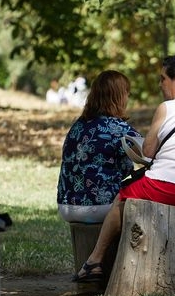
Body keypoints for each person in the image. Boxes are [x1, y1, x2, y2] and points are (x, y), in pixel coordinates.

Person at [73, 54, 175, 282]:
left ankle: (94, 261)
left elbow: (149, 151)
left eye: (162, 78)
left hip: (165, 186)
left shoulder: (166, 108)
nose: (160, 84)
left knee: (121, 199)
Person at [57, 70, 142, 224]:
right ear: (118, 97)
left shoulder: (78, 125)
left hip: (65, 205)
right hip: (98, 206)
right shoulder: (117, 127)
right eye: (126, 94)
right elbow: (147, 152)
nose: (127, 98)